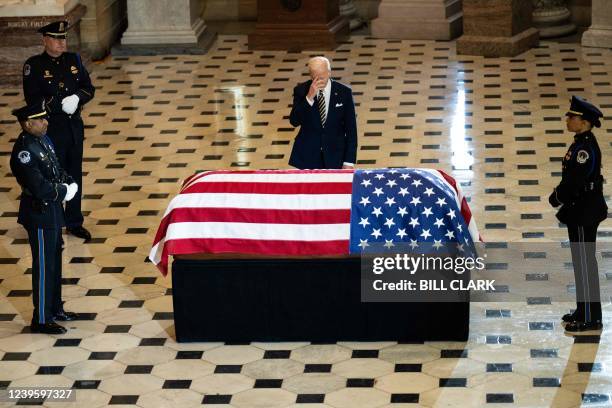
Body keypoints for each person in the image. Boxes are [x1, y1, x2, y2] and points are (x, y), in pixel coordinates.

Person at [10, 103, 81, 334]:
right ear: (27, 124)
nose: (46, 122)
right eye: (40, 120)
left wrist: (68, 180)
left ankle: (55, 308)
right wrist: (63, 192)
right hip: (39, 213)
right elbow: (39, 187)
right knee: (44, 265)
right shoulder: (24, 151)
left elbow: (56, 168)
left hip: (52, 212)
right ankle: (40, 318)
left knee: (56, 261)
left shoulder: (44, 140)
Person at [23, 20, 95, 242]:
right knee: (50, 176)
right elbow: (32, 99)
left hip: (73, 128)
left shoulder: (74, 60)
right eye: (56, 38)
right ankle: (50, 221)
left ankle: (74, 222)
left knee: (74, 175)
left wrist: (78, 98)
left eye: (63, 38)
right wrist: (58, 103)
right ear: (45, 40)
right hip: (51, 129)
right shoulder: (33, 65)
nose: (61, 42)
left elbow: (88, 87)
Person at [549, 95, 607, 332]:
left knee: (585, 264)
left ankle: (592, 318)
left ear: (584, 122)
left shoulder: (584, 149)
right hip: (580, 209)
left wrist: (556, 198)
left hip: (585, 210)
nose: (568, 119)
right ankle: (584, 309)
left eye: (572, 116)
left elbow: (574, 182)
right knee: (581, 262)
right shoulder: (581, 142)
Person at [288, 56, 357, 169]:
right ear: (311, 76)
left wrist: (349, 161)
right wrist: (309, 98)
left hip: (336, 156)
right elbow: (294, 121)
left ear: (329, 72)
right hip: (307, 157)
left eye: (322, 77)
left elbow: (351, 130)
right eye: (316, 78)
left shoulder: (344, 92)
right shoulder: (301, 91)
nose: (320, 81)